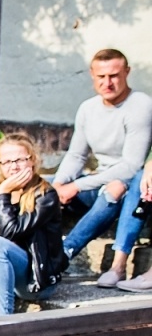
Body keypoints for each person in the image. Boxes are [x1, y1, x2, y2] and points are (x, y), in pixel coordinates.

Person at [54, 49, 152, 287]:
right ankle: (24, 254)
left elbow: (131, 166)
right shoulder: (88, 108)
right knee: (43, 190)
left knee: (115, 189)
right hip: (98, 181)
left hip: (129, 184)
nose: (108, 83)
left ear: (127, 72)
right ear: (92, 75)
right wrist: (59, 184)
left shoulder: (140, 105)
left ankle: (63, 254)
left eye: (114, 75)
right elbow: (77, 155)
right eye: (101, 76)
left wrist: (76, 185)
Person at [0, 134, 68, 313]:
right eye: (6, 162)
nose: (14, 167)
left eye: (20, 160)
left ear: (33, 160)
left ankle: (3, 322)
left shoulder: (45, 195)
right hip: (7, 273)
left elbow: (10, 232)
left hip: (37, 281)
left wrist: (3, 193)